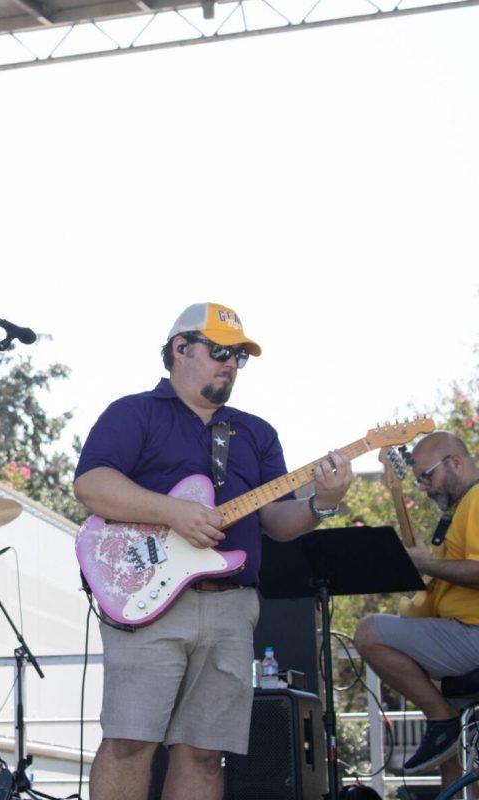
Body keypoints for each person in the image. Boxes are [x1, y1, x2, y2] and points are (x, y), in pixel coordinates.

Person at [72, 302, 354, 800]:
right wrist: (172, 513)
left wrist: (323, 506)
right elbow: (92, 485)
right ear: (180, 348)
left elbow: (279, 522)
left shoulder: (258, 432)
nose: (230, 363)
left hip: (231, 607)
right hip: (147, 603)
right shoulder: (133, 412)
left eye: (239, 357)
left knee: (204, 752)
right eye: (220, 350)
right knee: (129, 743)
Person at [355, 430, 479, 782]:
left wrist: (426, 564)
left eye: (427, 475)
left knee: (369, 632)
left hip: (473, 633)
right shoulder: (459, 513)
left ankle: (441, 720)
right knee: (450, 758)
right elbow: (439, 588)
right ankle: (445, 728)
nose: (424, 487)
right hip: (461, 635)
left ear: (455, 462)